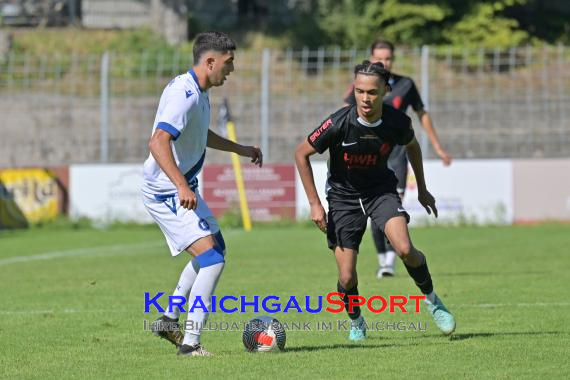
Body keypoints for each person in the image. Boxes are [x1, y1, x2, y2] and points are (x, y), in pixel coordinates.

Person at [295, 60, 455, 341]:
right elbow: (300, 153)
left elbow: (413, 148)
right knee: (346, 278)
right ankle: (357, 321)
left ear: (385, 91)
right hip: (343, 197)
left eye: (371, 92)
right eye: (359, 91)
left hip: (380, 191)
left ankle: (432, 300)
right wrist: (315, 203)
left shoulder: (397, 122)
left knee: (405, 249)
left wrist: (423, 189)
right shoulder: (338, 122)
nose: (365, 98)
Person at [141, 31, 263, 357]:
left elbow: (199, 133)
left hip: (180, 187)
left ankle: (169, 318)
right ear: (210, 62)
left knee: (216, 248)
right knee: (211, 259)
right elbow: (158, 141)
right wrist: (181, 185)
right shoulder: (186, 94)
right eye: (228, 63)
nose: (231, 70)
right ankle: (190, 344)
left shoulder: (199, 90)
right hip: (167, 191)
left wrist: (240, 148)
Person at [343, 40, 452, 279]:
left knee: (392, 208)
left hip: (396, 156)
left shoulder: (405, 85)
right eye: (379, 58)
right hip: (368, 157)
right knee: (372, 213)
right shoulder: (363, 85)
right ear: (370, 57)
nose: (384, 62)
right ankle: (385, 261)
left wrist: (438, 147)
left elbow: (422, 115)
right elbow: (345, 116)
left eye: (388, 58)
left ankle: (390, 260)